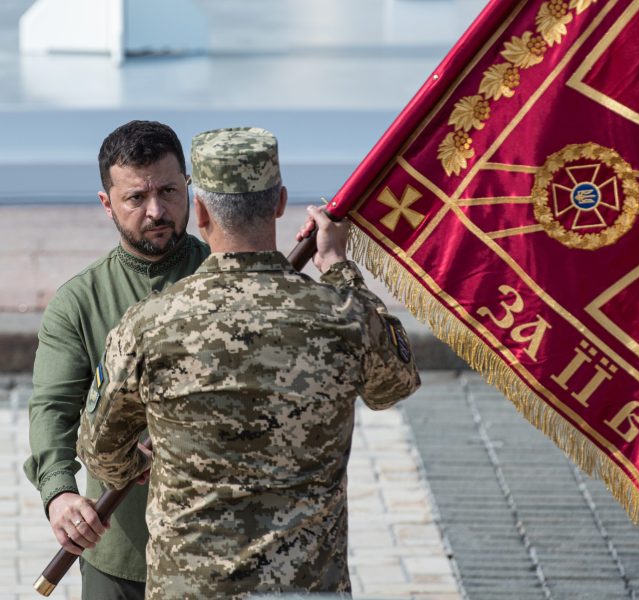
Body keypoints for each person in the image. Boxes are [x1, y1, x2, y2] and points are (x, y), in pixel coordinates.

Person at [76, 126, 421, 599]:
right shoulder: (342, 316)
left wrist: (141, 463)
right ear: (279, 202)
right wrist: (339, 266)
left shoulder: (149, 325)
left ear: (199, 211)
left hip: (191, 587)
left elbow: (98, 451)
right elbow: (394, 385)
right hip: (306, 585)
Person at [24, 120, 210, 599]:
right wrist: (60, 493)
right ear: (107, 203)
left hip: (221, 550)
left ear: (188, 188)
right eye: (135, 198)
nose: (156, 210)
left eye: (169, 190)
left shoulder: (223, 278)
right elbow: (53, 408)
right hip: (121, 549)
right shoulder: (79, 302)